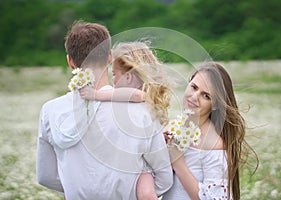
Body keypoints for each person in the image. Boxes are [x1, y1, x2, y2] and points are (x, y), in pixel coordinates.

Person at [36, 20, 173, 200]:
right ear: (109, 57)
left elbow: (45, 176)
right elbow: (164, 179)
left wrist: (77, 187)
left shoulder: (50, 111)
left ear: (70, 61)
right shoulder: (142, 111)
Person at [79, 41, 175, 199]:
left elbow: (135, 95)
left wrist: (97, 95)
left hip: (144, 168)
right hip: (140, 165)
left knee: (146, 193)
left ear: (129, 77)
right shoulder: (143, 104)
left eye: (115, 75)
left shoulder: (142, 98)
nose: (113, 81)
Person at [162, 62, 258, 200]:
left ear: (215, 105)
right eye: (194, 87)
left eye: (206, 96)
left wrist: (178, 164)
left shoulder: (215, 145)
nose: (194, 96)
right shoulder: (172, 128)